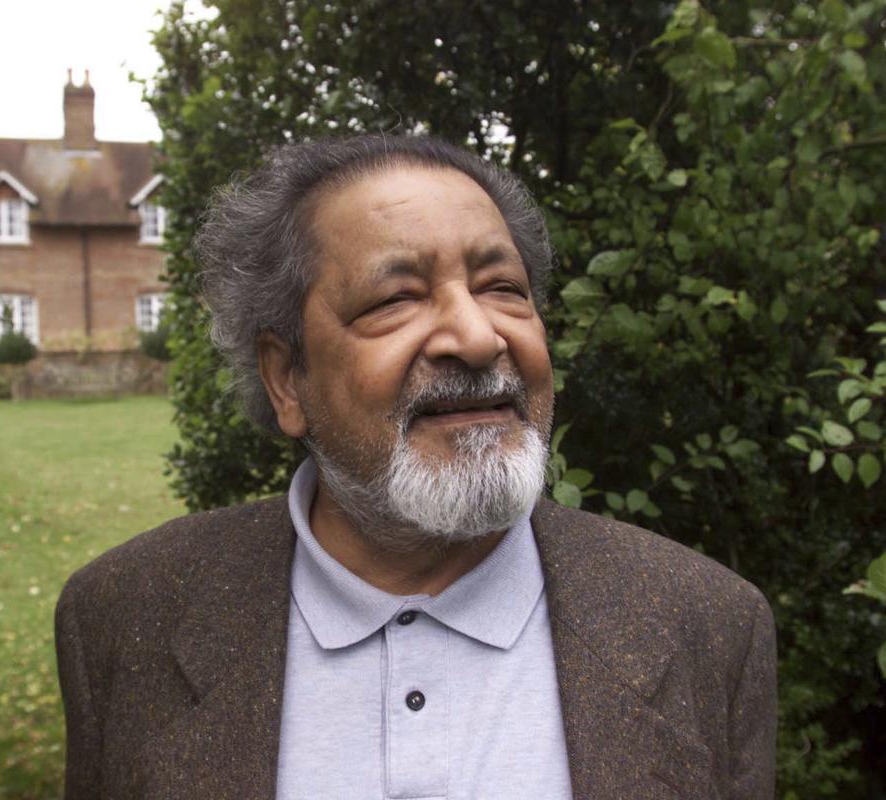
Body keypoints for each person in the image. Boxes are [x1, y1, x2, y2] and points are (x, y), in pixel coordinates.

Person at [55, 134, 777, 800]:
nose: (477, 336)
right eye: (395, 298)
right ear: (286, 379)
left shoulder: (708, 623)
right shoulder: (125, 618)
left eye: (502, 287)